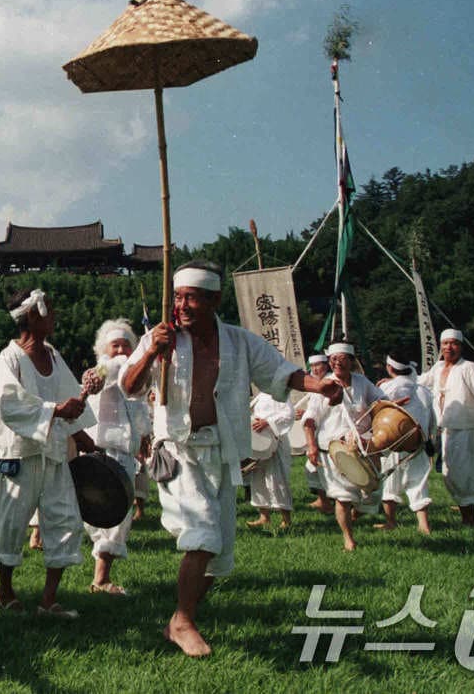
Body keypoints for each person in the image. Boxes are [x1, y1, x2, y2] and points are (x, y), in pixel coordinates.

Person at [119, 260, 341, 657]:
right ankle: (185, 621)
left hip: (222, 452)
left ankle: (178, 618)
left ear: (214, 300)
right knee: (202, 534)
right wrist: (152, 350)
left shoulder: (239, 341)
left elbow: (282, 373)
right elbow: (130, 387)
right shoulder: (162, 338)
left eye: (190, 298)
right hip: (178, 451)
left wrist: (319, 385)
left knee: (219, 557)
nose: (181, 306)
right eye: (178, 298)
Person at [0, 288, 96, 619]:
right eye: (51, 311)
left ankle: (49, 600)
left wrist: (81, 432)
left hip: (55, 452)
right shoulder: (9, 358)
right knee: (12, 523)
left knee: (65, 520)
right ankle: (5, 591)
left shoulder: (52, 354)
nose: (56, 316)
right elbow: (10, 404)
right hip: (20, 455)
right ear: (33, 315)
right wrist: (56, 411)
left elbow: (67, 396)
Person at [83, 320, 146, 593]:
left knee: (118, 515)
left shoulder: (135, 372)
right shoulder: (106, 368)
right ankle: (100, 578)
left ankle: (101, 576)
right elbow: (97, 377)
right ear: (104, 349)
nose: (121, 349)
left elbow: (140, 409)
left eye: (126, 345)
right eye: (115, 345)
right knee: (106, 511)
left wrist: (144, 436)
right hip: (102, 450)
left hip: (125, 452)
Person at [418, 328, 474, 527]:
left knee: (463, 473)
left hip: (467, 429)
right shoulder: (438, 368)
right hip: (446, 429)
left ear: (461, 347)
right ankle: (466, 514)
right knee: (448, 474)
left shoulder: (468, 368)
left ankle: (469, 519)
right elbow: (418, 384)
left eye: (453, 343)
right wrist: (393, 382)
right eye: (445, 343)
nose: (449, 347)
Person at [313, 342, 387, 551]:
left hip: (363, 446)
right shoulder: (324, 385)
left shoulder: (362, 382)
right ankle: (349, 539)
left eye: (342, 358)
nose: (336, 362)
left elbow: (381, 402)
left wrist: (393, 405)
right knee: (343, 497)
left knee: (373, 493)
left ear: (351, 362)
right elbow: (310, 419)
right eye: (333, 359)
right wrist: (311, 446)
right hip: (334, 448)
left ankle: (351, 516)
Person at [375, 355, 434, 534]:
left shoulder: (388, 387)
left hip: (393, 440)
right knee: (418, 482)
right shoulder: (424, 390)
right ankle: (424, 525)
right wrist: (429, 439)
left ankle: (391, 522)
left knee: (389, 481)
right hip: (418, 442)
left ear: (389, 368)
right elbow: (432, 417)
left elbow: (377, 411)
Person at [245, 389, 294, 530]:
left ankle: (286, 520)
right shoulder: (260, 396)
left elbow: (288, 415)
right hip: (259, 442)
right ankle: (264, 517)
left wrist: (268, 422)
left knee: (277, 478)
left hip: (275, 440)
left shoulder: (280, 393)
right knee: (258, 479)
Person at [297, 354, 331, 512]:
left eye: (319, 365)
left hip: (330, 432)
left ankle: (337, 503)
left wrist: (307, 415)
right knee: (313, 468)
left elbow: (321, 411)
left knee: (327, 469)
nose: (316, 369)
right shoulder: (315, 384)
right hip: (319, 431)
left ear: (327, 365)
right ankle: (323, 500)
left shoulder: (329, 383)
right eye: (313, 366)